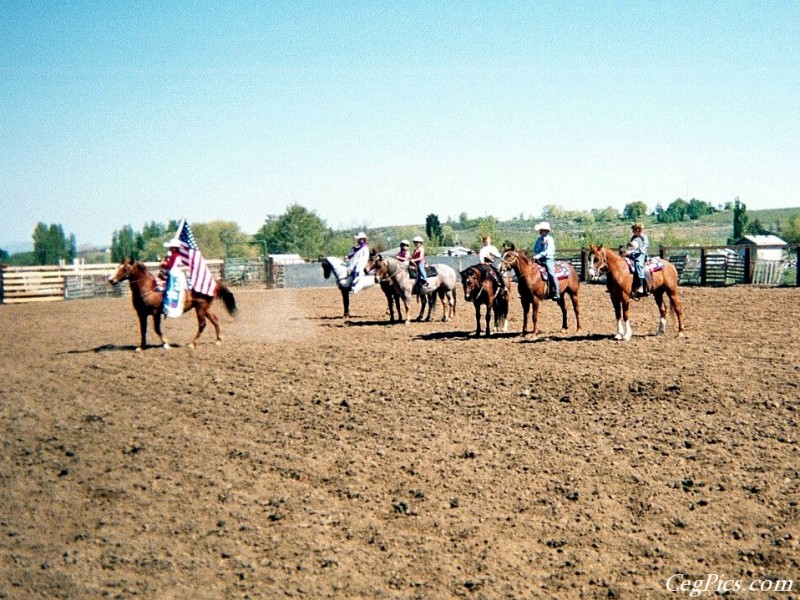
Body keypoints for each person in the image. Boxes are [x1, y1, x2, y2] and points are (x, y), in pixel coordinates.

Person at [532, 221, 560, 300]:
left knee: (551, 273)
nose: (540, 232)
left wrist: (539, 255)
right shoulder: (538, 240)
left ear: (546, 231)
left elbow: (549, 251)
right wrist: (540, 246)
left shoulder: (550, 239)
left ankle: (557, 292)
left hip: (548, 259)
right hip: (539, 259)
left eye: (542, 230)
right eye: (540, 230)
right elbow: (536, 249)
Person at [627, 222, 649, 296]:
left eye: (633, 230)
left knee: (638, 264)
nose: (632, 231)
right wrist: (628, 250)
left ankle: (641, 286)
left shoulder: (644, 237)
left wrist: (638, 250)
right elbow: (630, 246)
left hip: (641, 254)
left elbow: (645, 246)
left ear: (638, 230)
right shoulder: (633, 237)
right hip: (633, 254)